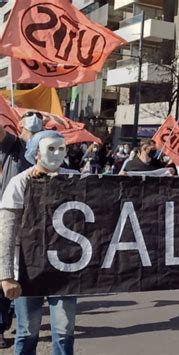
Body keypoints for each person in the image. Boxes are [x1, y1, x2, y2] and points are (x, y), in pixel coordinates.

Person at [0, 130, 78, 354]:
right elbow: (6, 231)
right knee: (27, 331)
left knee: (65, 333)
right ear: (35, 154)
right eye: (50, 149)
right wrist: (6, 276)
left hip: (66, 271)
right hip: (28, 270)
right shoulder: (19, 184)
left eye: (61, 149)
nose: (56, 154)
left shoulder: (75, 180)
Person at [0, 111, 43, 349]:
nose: (33, 136)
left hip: (36, 229)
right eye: (30, 131)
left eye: (38, 132)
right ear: (19, 128)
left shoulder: (47, 152)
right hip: (9, 221)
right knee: (4, 276)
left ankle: (21, 323)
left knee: (25, 279)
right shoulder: (13, 146)